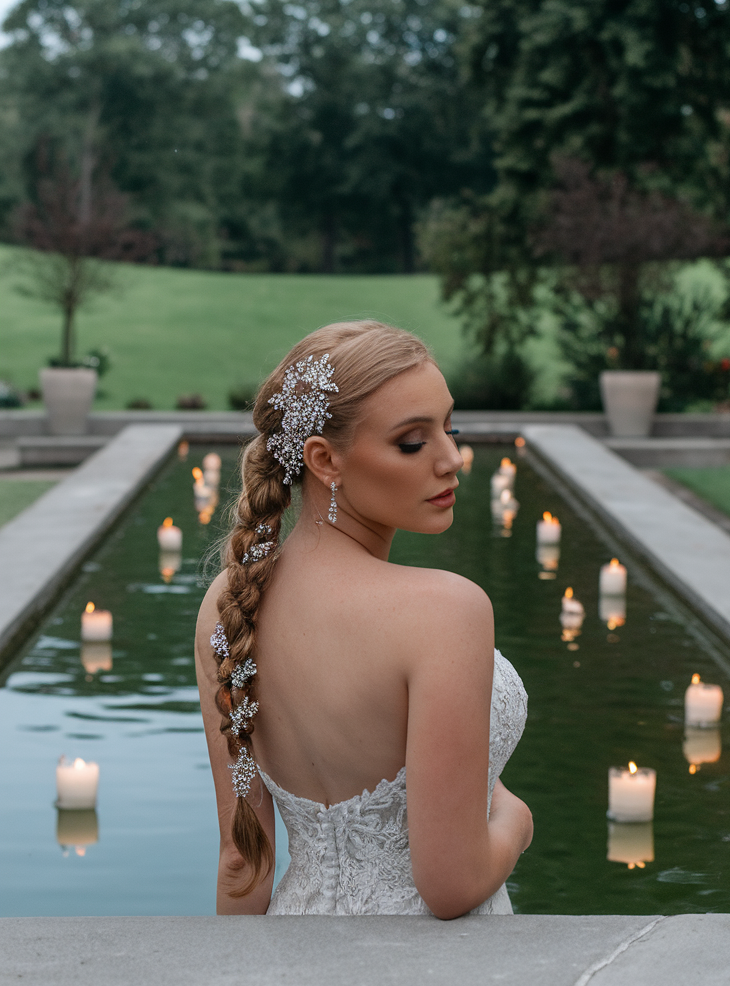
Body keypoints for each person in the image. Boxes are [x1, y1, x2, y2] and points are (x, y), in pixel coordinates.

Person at [196, 320, 532, 917]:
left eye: (450, 430)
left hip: (292, 965)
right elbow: (451, 884)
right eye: (412, 442)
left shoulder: (227, 602)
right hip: (422, 978)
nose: (453, 459)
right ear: (325, 460)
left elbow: (243, 861)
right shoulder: (446, 612)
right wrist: (514, 818)